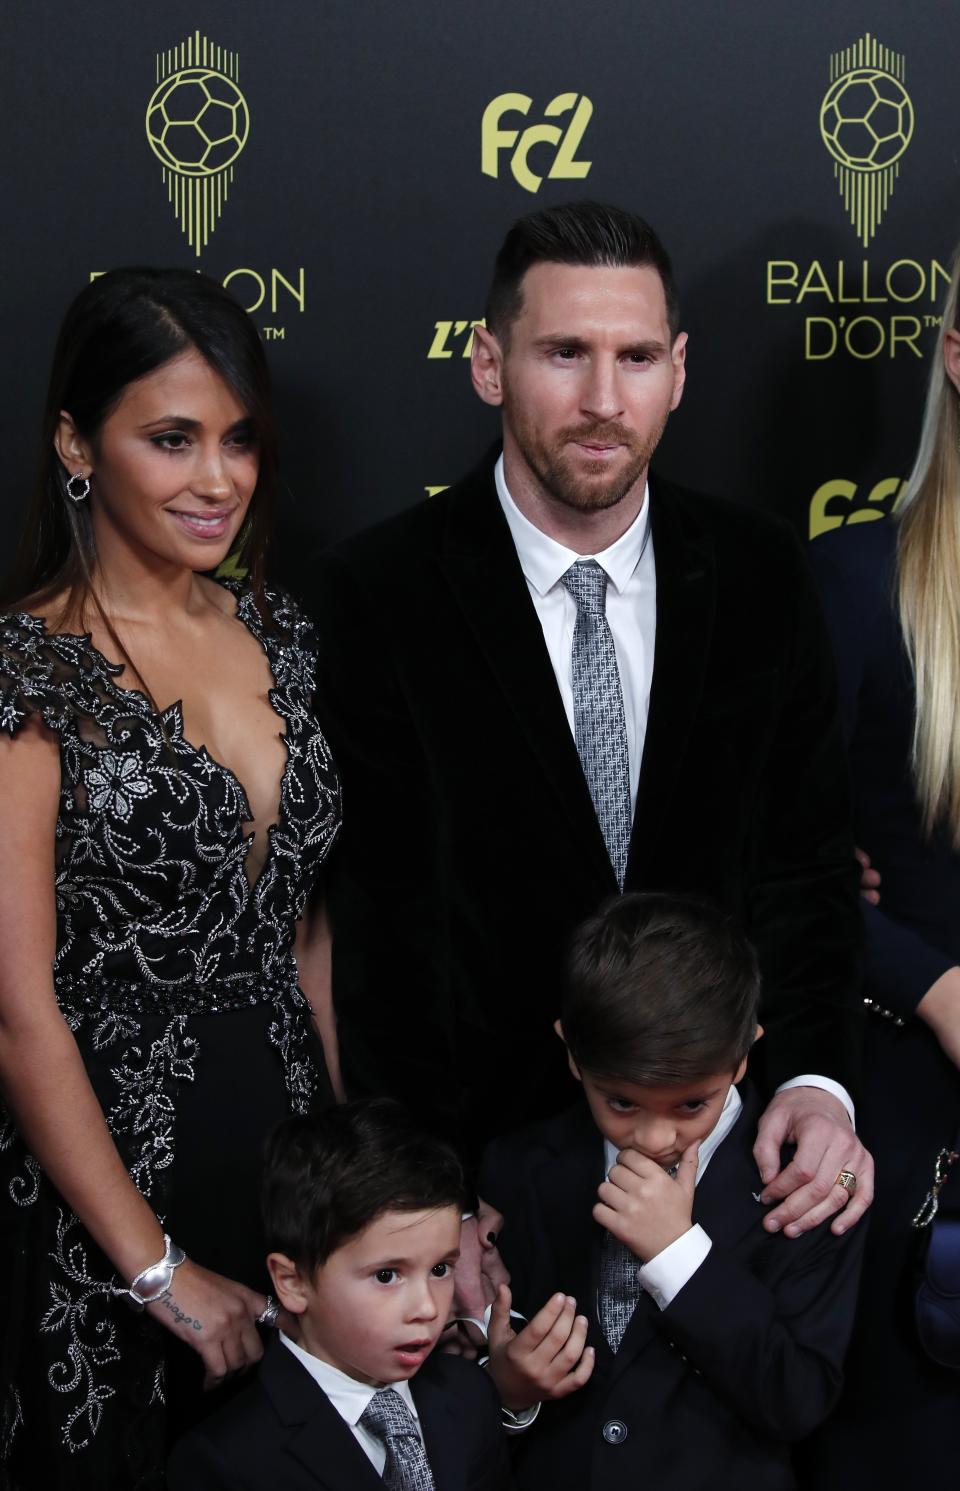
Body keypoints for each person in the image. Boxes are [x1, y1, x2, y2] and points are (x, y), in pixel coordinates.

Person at [310, 201, 871, 1303]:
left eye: (637, 356)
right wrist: (432, 1196)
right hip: (497, 1204)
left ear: (680, 369)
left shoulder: (760, 575)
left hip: (735, 1185)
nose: (605, 400)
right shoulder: (382, 593)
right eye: (565, 353)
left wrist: (815, 1081)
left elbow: (805, 866)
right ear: (488, 362)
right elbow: (386, 936)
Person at [0, 268, 341, 1489]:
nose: (217, 480)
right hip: (104, 1204)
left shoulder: (283, 633)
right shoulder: (27, 671)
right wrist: (154, 1269)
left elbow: (308, 938)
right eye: (172, 439)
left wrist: (353, 1193)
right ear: (74, 442)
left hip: (287, 1171)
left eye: (240, 439)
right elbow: (18, 1007)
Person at [479, 894, 866, 1491]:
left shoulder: (807, 1184)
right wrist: (507, 1392)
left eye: (691, 1104)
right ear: (573, 1056)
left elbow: (798, 1398)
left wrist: (678, 1255)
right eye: (622, 1102)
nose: (656, 1135)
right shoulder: (518, 1167)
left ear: (742, 1057)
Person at [802, 253, 960, 1485]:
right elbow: (791, 871)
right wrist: (941, 990)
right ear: (957, 357)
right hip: (917, 1115)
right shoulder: (859, 580)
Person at [167, 1099, 513, 1490]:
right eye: (386, 1275)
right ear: (293, 1283)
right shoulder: (227, 1462)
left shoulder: (468, 1393)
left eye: (439, 1269)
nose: (427, 1307)